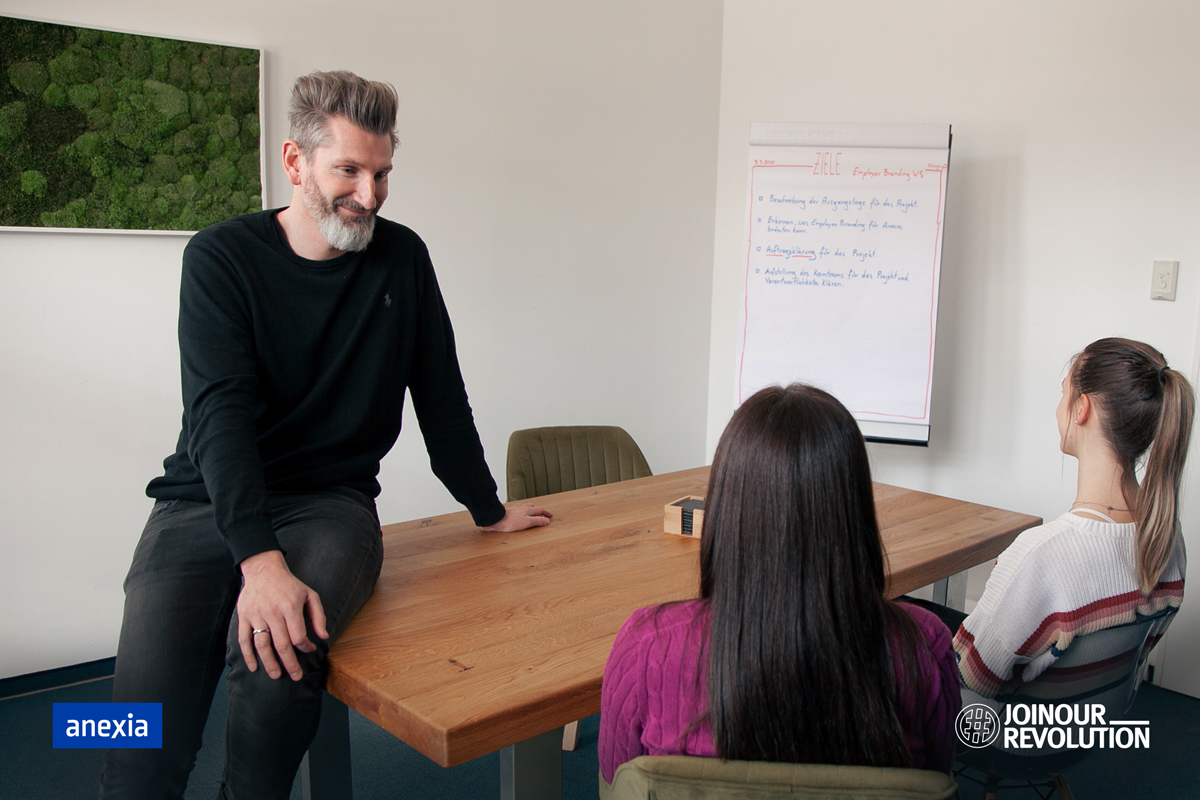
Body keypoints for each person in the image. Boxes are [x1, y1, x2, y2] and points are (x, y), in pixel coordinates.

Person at [99, 70, 550, 800]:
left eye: (382, 174)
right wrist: (259, 561)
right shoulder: (218, 258)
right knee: (133, 730)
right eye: (348, 170)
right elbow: (219, 419)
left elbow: (440, 394)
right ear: (294, 161)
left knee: (278, 664)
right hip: (202, 501)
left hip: (329, 503)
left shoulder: (403, 258)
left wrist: (488, 508)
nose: (367, 195)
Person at [598, 384, 962, 787]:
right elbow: (936, 781)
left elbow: (617, 784)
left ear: (725, 510)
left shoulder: (646, 645)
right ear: (853, 512)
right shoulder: (924, 646)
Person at [953, 338, 1190, 698]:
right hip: (1088, 733)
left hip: (1008, 746)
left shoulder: (1041, 554)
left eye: (1064, 394)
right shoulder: (1168, 537)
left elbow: (972, 679)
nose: (1058, 408)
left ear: (1082, 408)